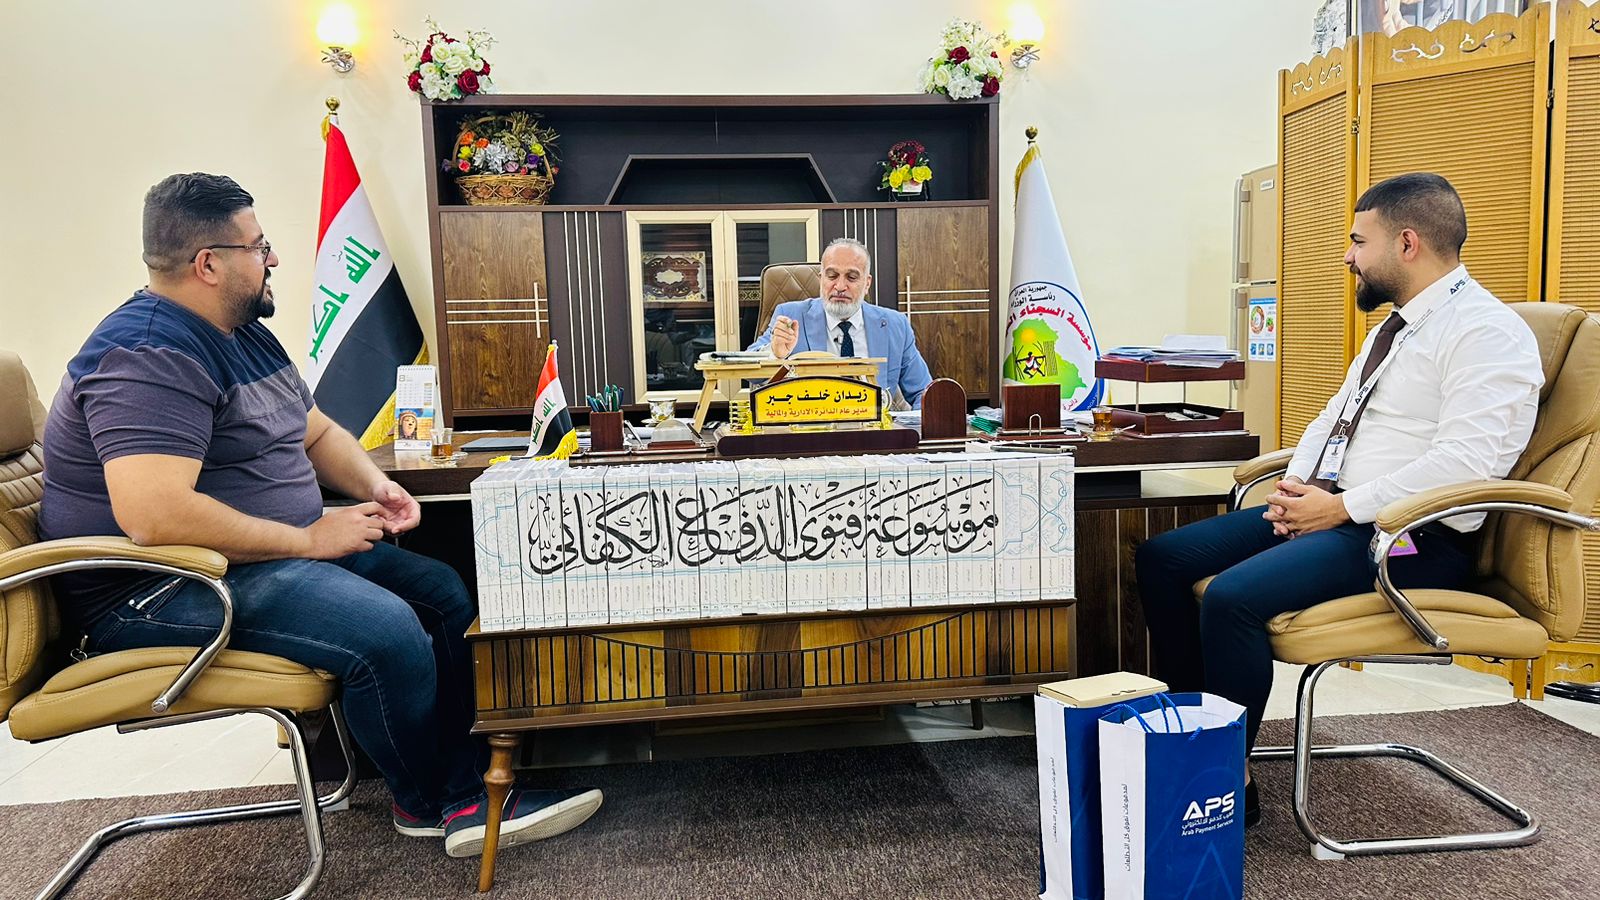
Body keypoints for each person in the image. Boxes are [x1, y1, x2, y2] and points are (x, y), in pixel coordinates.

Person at [38, 173, 603, 859]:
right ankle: (433, 799)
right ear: (208, 264)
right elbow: (154, 516)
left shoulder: (242, 333)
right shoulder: (150, 354)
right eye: (259, 247)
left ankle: (468, 780)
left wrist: (376, 484)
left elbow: (316, 433)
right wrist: (308, 539)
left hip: (254, 559)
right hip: (159, 589)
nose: (273, 258)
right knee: (387, 630)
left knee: (443, 591)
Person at [1134, 172, 1543, 828]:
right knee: (1164, 559)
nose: (1347, 255)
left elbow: (1467, 464)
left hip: (1412, 537)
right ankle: (1194, 734)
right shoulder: (1399, 328)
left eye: (1359, 241)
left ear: (1407, 243)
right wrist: (1297, 489)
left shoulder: (1487, 333)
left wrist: (1340, 510)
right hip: (1341, 512)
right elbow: (1334, 416)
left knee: (1234, 599)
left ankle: (1224, 779)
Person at [747, 237, 933, 406]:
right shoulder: (790, 316)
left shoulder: (895, 324)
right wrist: (775, 354)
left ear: (867, 283)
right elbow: (751, 371)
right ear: (821, 279)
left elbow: (923, 393)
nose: (841, 286)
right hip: (811, 427)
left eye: (851, 277)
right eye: (832, 276)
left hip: (874, 429)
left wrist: (923, 426)